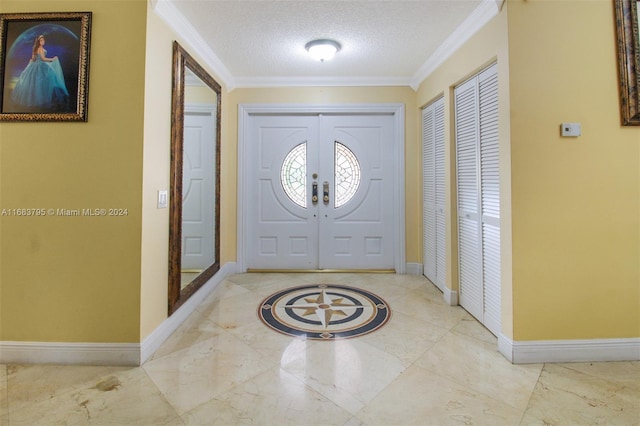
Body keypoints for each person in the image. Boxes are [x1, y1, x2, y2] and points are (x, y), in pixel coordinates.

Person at [11, 34, 69, 109]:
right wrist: (53, 59)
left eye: (43, 40)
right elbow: (43, 59)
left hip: (35, 65)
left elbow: (33, 59)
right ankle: (43, 99)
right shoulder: (40, 49)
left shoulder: (35, 49)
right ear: (39, 41)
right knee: (43, 81)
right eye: (41, 40)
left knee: (35, 83)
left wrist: (29, 66)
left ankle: (40, 99)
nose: (43, 41)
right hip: (40, 66)